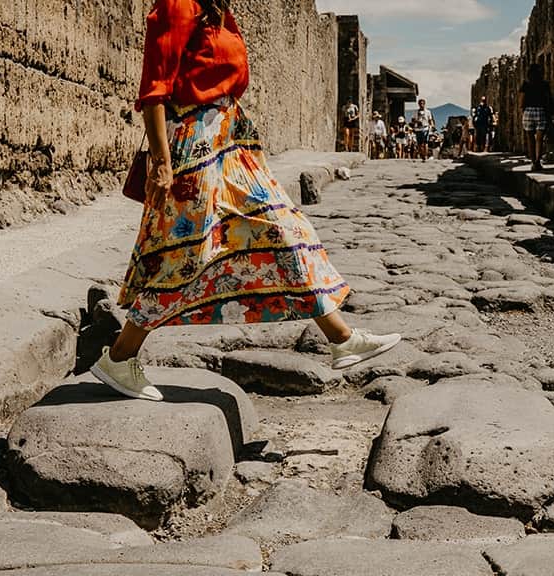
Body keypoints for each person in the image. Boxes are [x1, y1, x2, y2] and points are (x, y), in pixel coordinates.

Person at [94, 0, 401, 401]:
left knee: (283, 228)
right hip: (193, 147)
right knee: (183, 256)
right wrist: (161, 162)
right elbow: (153, 91)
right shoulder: (177, 4)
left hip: (233, 144)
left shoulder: (217, 11)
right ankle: (120, 356)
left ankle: (340, 339)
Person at [520, 63, 551, 171]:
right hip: (540, 111)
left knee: (530, 139)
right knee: (539, 139)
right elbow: (547, 100)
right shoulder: (544, 84)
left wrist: (523, 110)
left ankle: (533, 162)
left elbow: (522, 101)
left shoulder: (526, 84)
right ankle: (538, 161)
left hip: (528, 111)